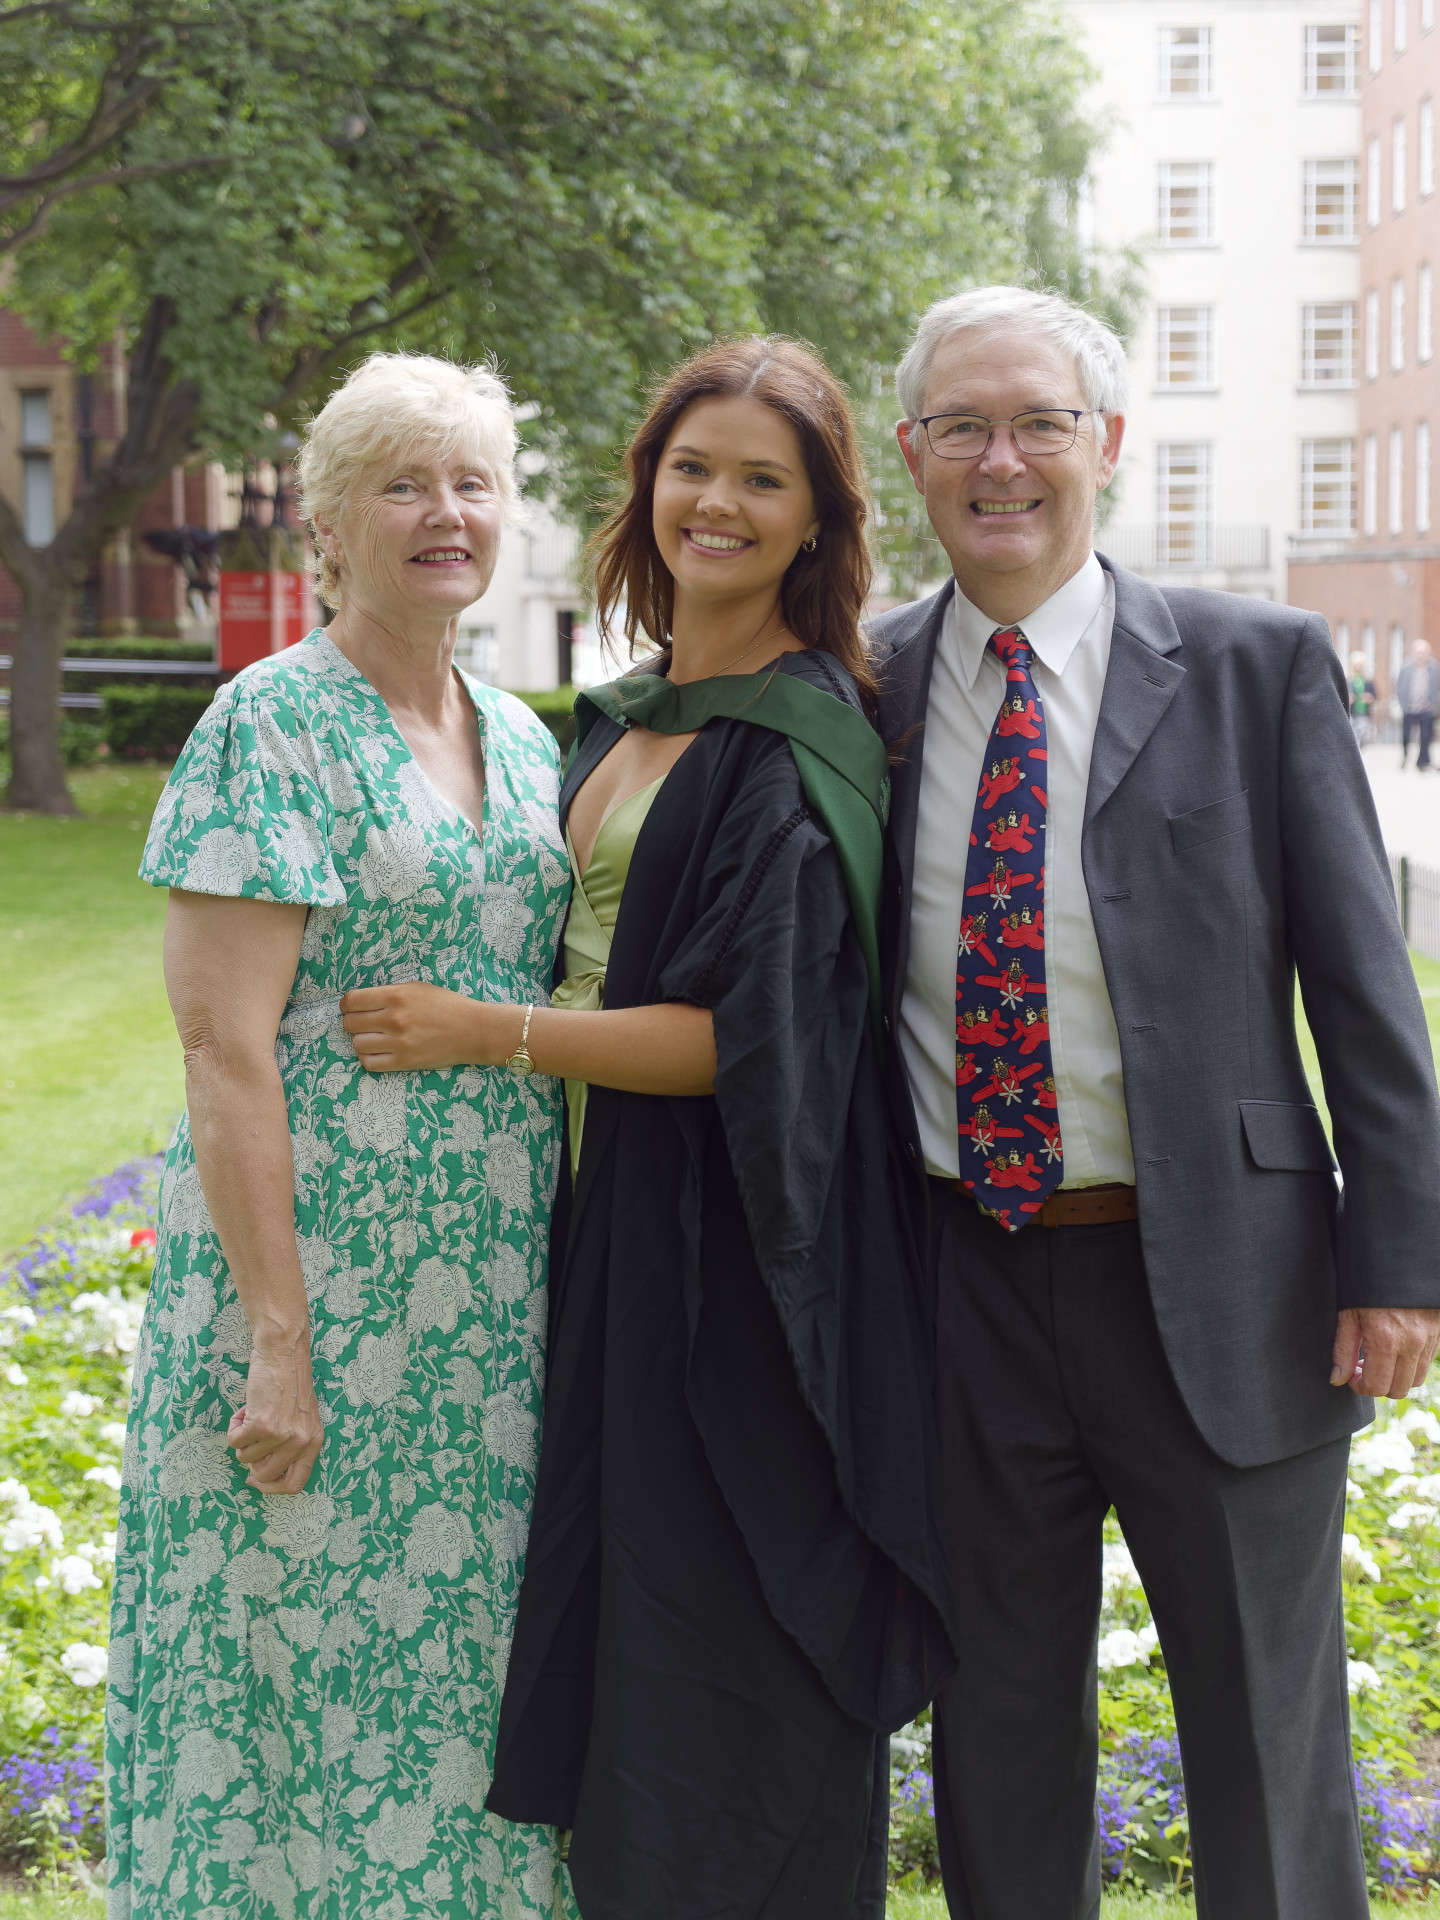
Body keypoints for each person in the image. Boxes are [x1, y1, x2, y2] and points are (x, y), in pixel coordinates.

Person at [339, 337, 953, 1920]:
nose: (718, 504)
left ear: (817, 519)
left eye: (763, 479)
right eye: (693, 468)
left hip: (734, 1262)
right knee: (623, 1642)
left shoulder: (800, 743)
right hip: (607, 1226)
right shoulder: (617, 719)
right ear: (647, 487)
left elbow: (755, 1041)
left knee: (719, 1650)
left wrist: (491, 1034)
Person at [870, 284, 1440, 1920]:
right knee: (996, 1739)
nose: (1001, 461)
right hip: (959, 1285)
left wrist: (1400, 1262)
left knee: (1267, 1745)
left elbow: (1365, 987)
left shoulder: (1259, 666)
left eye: (1038, 423)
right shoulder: (862, 682)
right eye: (963, 427)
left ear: (1106, 443)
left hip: (1226, 1284)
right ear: (912, 453)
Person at [107, 353, 578, 1920]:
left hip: (487, 1314)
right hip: (319, 1301)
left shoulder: (520, 737)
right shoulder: (267, 724)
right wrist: (277, 1341)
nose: (447, 513)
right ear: (325, 522)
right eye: (403, 483)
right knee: (293, 1671)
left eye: (473, 482)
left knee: (464, 1678)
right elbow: (223, 1053)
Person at [1398, 636, 1440, 769]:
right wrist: (1403, 704)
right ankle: (1405, 756)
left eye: (1423, 652)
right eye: (1419, 652)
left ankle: (1422, 762)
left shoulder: (1434, 668)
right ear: (1414, 653)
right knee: (1406, 736)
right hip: (1409, 707)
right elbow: (1399, 687)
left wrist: (1435, 705)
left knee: (1426, 736)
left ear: (1428, 653)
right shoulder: (1406, 667)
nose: (1421, 655)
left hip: (1427, 708)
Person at [1348, 649, 1376, 747]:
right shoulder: (1349, 681)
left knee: (1364, 738)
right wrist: (1349, 699)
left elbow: (1374, 695)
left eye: (1360, 666)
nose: (1358, 668)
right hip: (1352, 713)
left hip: (1364, 713)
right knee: (1354, 738)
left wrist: (1369, 698)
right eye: (1356, 665)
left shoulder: (1367, 682)